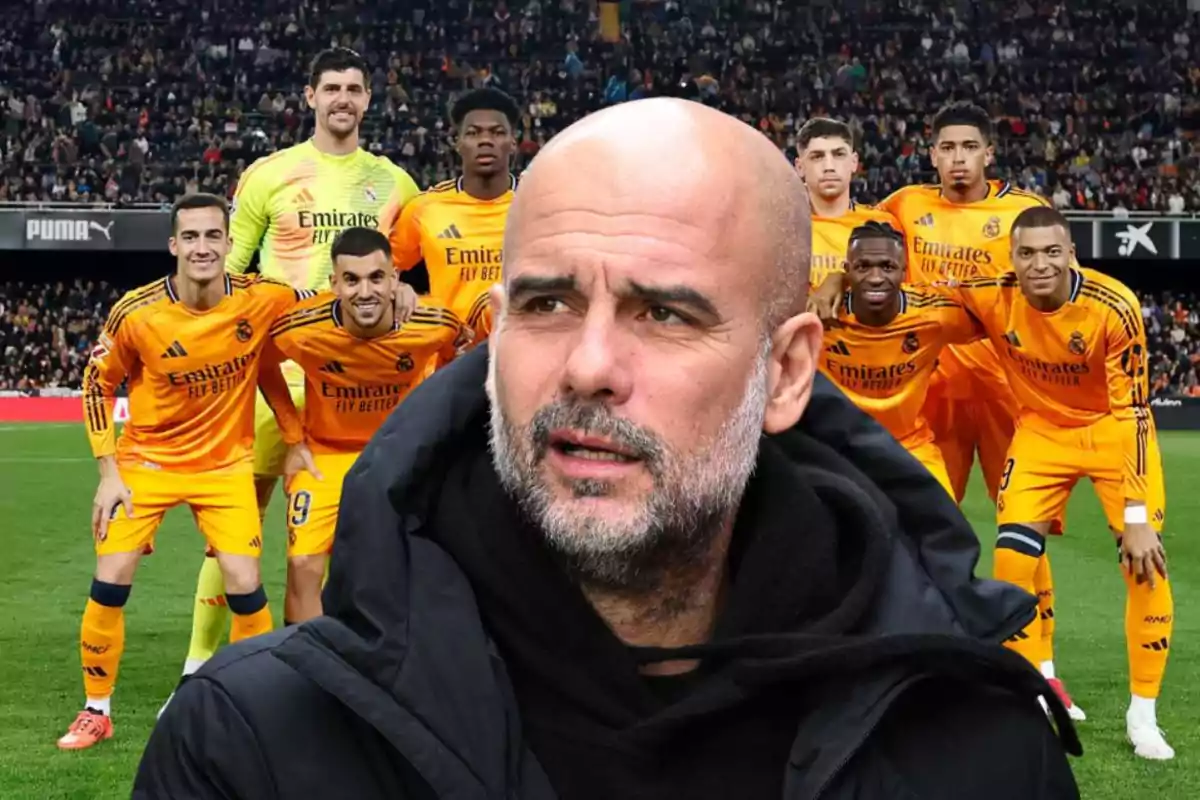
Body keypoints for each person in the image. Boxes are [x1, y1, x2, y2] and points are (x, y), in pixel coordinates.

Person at [134, 99, 1080, 799]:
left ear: (788, 372)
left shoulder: (984, 755)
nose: (588, 366)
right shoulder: (252, 746)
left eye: (663, 312)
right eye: (547, 305)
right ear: (494, 336)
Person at [813, 101, 1081, 719]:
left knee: (1023, 530)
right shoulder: (904, 206)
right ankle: (917, 653)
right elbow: (864, 256)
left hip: (1005, 386)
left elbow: (1049, 290)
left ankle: (1041, 665)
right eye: (947, 148)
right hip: (929, 387)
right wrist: (832, 284)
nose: (958, 158)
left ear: (989, 152)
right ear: (932, 153)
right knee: (929, 533)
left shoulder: (1022, 214)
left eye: (969, 147)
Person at [176, 47, 422, 685]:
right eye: (331, 86)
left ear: (369, 100)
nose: (344, 98)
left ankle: (345, 662)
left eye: (355, 88)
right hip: (271, 378)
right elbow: (228, 276)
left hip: (358, 388)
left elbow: (410, 278)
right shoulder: (268, 175)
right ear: (309, 96)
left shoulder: (397, 185)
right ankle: (201, 666)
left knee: (354, 533)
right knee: (234, 523)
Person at [57, 193, 315, 751]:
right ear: (174, 245)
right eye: (191, 238)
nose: (202, 247)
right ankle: (96, 710)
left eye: (212, 236)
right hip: (146, 462)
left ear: (228, 243)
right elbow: (97, 384)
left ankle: (255, 706)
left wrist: (294, 437)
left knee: (246, 585)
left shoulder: (263, 298)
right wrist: (108, 472)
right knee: (112, 576)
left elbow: (308, 323)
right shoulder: (137, 312)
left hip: (225, 465)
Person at [952, 206, 1174, 760]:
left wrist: (1138, 518)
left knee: (1143, 564)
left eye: (1052, 252)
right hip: (1040, 435)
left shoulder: (1113, 307)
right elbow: (924, 295)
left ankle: (1142, 714)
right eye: (1027, 253)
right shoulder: (990, 295)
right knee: (1011, 561)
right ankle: (1041, 686)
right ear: (1012, 258)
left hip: (1111, 433)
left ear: (1071, 252)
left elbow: (1135, 414)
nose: (1039, 264)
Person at [266, 227, 472, 622]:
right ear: (334, 285)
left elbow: (461, 358)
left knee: (412, 564)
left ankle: (404, 661)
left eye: (377, 278)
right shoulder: (300, 330)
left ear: (395, 279)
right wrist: (293, 438)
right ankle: (307, 669)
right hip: (324, 457)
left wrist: (437, 430)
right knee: (303, 564)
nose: (365, 292)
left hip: (398, 454)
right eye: (352, 280)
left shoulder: (433, 321)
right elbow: (262, 366)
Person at [819, 221, 983, 497]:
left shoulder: (936, 315)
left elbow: (1001, 312)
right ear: (848, 271)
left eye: (887, 267)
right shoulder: (817, 313)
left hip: (909, 446)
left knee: (948, 533)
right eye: (863, 267)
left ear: (904, 272)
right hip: (838, 449)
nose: (875, 278)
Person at [386, 88, 521, 344]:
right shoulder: (425, 208)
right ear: (457, 142)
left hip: (518, 353)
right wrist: (400, 288)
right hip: (449, 357)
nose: (485, 141)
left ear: (513, 141)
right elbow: (383, 268)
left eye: (497, 132)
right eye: (473, 133)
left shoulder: (535, 203)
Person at [792, 118, 900, 289]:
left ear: (854, 162)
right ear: (800, 167)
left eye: (839, 155)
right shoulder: (783, 227)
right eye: (817, 157)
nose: (829, 167)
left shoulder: (882, 225)